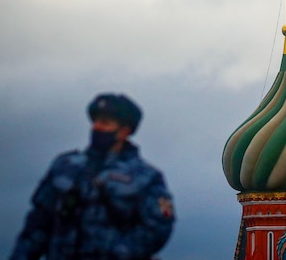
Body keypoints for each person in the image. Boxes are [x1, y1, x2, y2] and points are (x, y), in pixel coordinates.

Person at [9, 93, 175, 260]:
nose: (96, 127)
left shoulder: (146, 177)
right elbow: (38, 224)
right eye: (95, 121)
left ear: (124, 132)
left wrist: (120, 253)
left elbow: (158, 228)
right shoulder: (64, 166)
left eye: (105, 123)